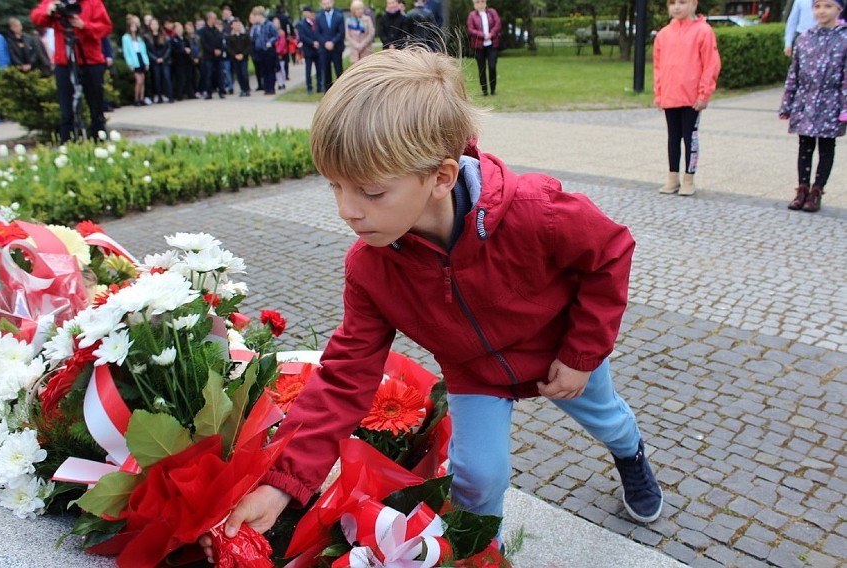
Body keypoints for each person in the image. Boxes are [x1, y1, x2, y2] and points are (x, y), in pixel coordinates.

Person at [199, 47, 664, 563]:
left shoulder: (536, 211)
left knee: (609, 421)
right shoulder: (371, 265)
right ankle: (478, 551)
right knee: (476, 476)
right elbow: (345, 375)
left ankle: (632, 455)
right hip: (477, 375)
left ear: (441, 177)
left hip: (562, 355)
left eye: (371, 192)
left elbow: (610, 252)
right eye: (335, 186)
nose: (347, 211)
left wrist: (582, 354)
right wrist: (284, 482)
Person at [779, 0, 847, 213]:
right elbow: (794, 74)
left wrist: (845, 106)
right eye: (817, 6)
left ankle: (817, 190)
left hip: (831, 101)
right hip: (805, 101)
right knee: (805, 146)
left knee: (826, 147)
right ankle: (802, 189)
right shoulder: (805, 39)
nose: (822, 11)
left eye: (828, 6)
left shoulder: (844, 39)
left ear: (839, 9)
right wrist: (787, 102)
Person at [652, 0, 721, 196]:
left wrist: (704, 92)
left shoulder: (703, 31)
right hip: (670, 95)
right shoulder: (663, 35)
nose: (677, 7)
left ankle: (689, 178)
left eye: (682, 2)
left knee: (690, 137)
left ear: (693, 4)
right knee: (672, 137)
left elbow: (710, 64)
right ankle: (672, 177)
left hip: (692, 98)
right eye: (672, 3)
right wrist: (659, 93)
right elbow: (658, 67)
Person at [31, 0, 113, 143]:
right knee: (66, 110)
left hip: (90, 61)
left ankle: (100, 142)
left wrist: (84, 26)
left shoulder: (93, 3)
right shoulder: (56, 2)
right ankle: (67, 145)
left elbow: (105, 27)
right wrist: (48, 11)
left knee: (96, 107)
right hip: (64, 61)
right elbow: (36, 17)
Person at [466, 0, 501, 96]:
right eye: (477, 2)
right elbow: (471, 29)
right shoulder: (472, 15)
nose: (480, 4)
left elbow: (497, 24)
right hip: (479, 46)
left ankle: (493, 89)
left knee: (492, 66)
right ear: (474, 4)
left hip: (492, 44)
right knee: (481, 68)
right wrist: (483, 35)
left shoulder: (492, 12)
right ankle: (484, 90)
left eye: (482, 1)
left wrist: (491, 34)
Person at [314, 0, 344, 91]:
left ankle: (341, 91)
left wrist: (333, 42)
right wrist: (325, 43)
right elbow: (317, 33)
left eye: (328, 2)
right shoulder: (318, 17)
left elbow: (341, 32)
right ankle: (327, 92)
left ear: (332, 3)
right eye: (324, 3)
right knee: (326, 72)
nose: (326, 5)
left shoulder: (339, 16)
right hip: (324, 50)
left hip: (336, 48)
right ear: (321, 4)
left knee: (339, 71)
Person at [121, 17, 149, 106]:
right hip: (134, 59)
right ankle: (136, 99)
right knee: (138, 80)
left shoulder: (139, 38)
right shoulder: (125, 38)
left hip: (141, 58)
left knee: (143, 80)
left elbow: (144, 50)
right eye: (132, 26)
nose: (134, 28)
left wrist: (146, 62)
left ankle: (142, 98)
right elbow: (126, 52)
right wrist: (130, 63)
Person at [250, 6, 278, 95]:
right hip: (260, 51)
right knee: (264, 70)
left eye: (256, 15)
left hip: (268, 50)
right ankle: (266, 88)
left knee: (270, 70)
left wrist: (270, 42)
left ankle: (271, 88)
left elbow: (276, 36)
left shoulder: (269, 25)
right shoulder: (256, 27)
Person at [199, 11, 226, 99]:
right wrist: (212, 50)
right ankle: (209, 92)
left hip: (218, 56)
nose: (215, 20)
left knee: (220, 74)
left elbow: (221, 41)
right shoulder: (203, 31)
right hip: (208, 56)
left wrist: (219, 50)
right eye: (213, 18)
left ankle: (221, 91)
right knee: (208, 74)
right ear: (209, 19)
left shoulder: (217, 30)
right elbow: (204, 43)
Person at [146, 17, 173, 103]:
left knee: (166, 77)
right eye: (152, 24)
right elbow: (147, 50)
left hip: (164, 60)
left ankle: (170, 96)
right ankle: (159, 96)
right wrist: (155, 59)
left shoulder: (164, 36)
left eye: (156, 24)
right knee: (157, 79)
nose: (154, 26)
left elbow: (168, 48)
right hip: (154, 61)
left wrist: (163, 58)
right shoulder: (147, 37)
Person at [296, 5, 321, 93]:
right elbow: (302, 36)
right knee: (308, 69)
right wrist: (312, 43)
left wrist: (318, 42)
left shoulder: (316, 22)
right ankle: (309, 87)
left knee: (319, 69)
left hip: (317, 50)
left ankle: (319, 86)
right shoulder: (301, 24)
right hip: (308, 50)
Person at [227, 18, 252, 96]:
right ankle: (242, 89)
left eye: (238, 24)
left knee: (244, 73)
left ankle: (247, 89)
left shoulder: (245, 35)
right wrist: (235, 55)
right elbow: (229, 48)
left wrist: (243, 54)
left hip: (243, 57)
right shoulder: (230, 37)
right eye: (235, 24)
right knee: (238, 74)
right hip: (235, 58)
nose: (237, 26)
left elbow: (248, 46)